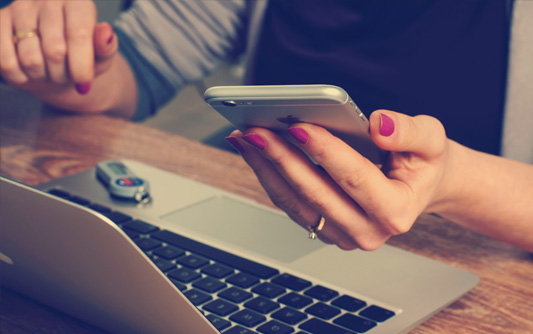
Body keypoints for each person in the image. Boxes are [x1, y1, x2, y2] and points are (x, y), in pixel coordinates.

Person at [1, 0, 532, 251]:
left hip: (479, 269)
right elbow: (140, 66)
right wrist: (64, 62)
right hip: (258, 237)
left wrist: (455, 179)